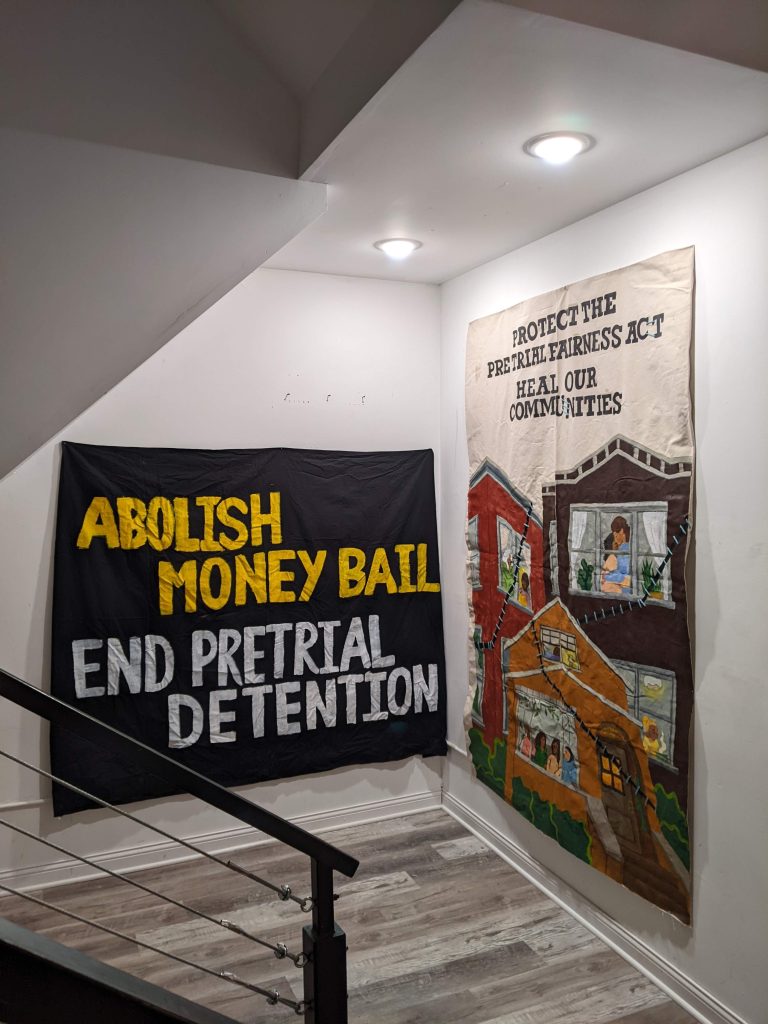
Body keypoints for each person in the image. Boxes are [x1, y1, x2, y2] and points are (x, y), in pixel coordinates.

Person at [601, 515, 631, 594]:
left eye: (616, 532)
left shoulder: (626, 549)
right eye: (613, 533)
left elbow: (624, 574)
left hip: (624, 590)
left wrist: (607, 576)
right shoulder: (620, 548)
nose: (614, 535)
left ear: (621, 531)